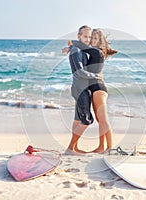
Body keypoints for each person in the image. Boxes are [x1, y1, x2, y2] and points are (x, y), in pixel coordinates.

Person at [70, 28, 118, 153]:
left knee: (103, 119)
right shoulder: (92, 53)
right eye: (92, 38)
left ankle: (110, 148)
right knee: (99, 120)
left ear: (100, 41)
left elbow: (81, 46)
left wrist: (72, 43)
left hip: (98, 88)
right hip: (94, 88)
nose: (92, 40)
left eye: (95, 38)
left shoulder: (97, 52)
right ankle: (101, 147)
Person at [64, 25, 102, 155]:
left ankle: (74, 148)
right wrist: (96, 76)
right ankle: (70, 149)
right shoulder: (76, 51)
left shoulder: (79, 50)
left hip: (81, 88)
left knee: (77, 119)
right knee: (87, 120)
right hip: (80, 89)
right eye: (85, 36)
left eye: (89, 37)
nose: (88, 39)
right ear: (79, 36)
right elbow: (79, 72)